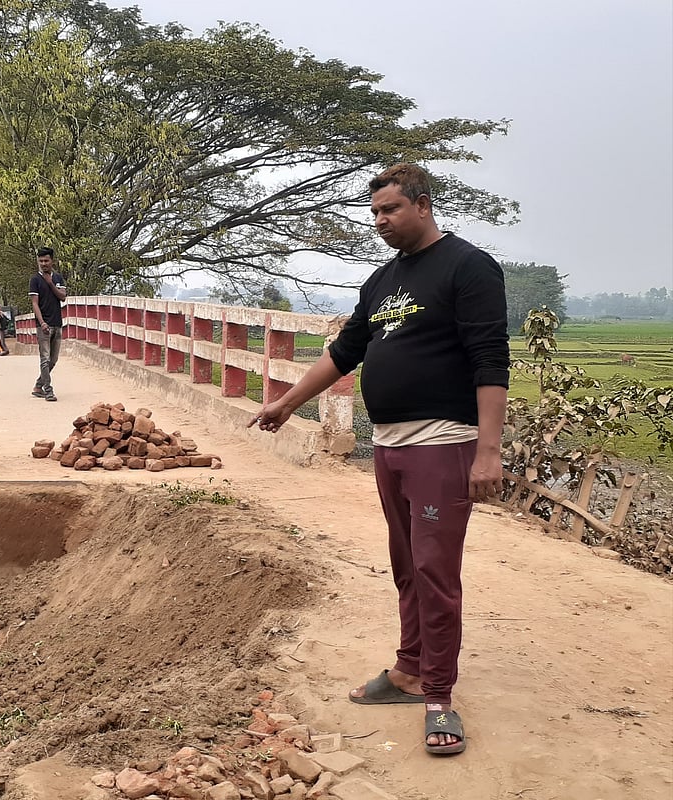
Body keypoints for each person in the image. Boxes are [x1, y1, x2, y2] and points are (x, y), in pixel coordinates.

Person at [249, 164, 509, 756]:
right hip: (390, 446)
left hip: (443, 443)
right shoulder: (384, 280)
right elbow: (345, 352)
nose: (380, 223)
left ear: (422, 204)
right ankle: (409, 670)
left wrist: (488, 452)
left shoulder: (468, 267)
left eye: (389, 211)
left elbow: (491, 360)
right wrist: (287, 403)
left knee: (436, 570)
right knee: (406, 565)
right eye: (374, 214)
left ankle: (439, 695)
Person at [28, 246, 67, 401]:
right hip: (43, 325)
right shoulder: (35, 280)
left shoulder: (58, 278)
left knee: (53, 360)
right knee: (44, 359)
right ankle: (48, 389)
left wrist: (50, 283)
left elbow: (62, 296)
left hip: (57, 323)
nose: (43, 264)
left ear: (52, 261)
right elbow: (34, 303)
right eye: (41, 261)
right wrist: (42, 322)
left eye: (46, 260)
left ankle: (38, 385)